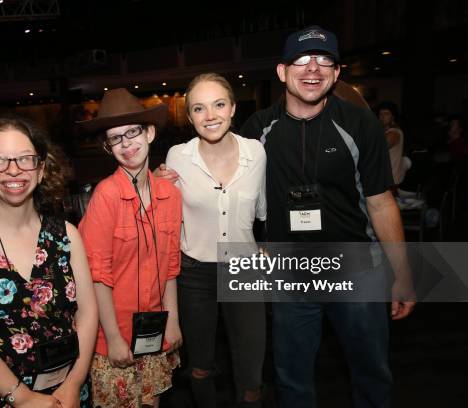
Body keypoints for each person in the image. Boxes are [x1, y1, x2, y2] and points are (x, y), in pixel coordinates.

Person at [240, 26, 415, 408]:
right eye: (302, 59)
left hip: (357, 271)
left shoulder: (360, 124)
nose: (313, 68)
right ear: (282, 71)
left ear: (337, 73)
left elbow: (381, 203)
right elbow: (227, 185)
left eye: (325, 60)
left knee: (372, 376)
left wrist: (402, 275)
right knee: (292, 381)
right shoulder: (257, 130)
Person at [0, 114, 98, 408]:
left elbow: (88, 314)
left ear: (41, 170)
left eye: (25, 159)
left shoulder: (66, 234)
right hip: (5, 397)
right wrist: (24, 398)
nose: (13, 170)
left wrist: (75, 382)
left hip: (70, 392)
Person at [156, 73, 267, 408]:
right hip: (194, 274)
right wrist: (158, 185)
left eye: (219, 104)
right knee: (200, 366)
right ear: (189, 117)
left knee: (251, 374)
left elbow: (263, 211)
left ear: (233, 108)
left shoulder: (257, 153)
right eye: (199, 109)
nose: (210, 115)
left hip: (244, 268)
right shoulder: (177, 157)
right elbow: (163, 215)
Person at [76, 88, 183, 408]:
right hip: (115, 335)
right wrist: (112, 337)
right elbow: (97, 275)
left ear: (149, 133)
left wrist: (173, 319)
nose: (126, 144)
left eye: (133, 133)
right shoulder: (105, 195)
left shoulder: (170, 195)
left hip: (154, 330)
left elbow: (171, 266)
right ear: (108, 147)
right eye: (115, 138)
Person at [377, 101, 409, 188]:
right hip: (387, 177)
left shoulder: (393, 133)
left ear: (393, 116)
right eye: (380, 114)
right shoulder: (386, 131)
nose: (382, 117)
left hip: (390, 179)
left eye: (386, 114)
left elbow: (377, 148)